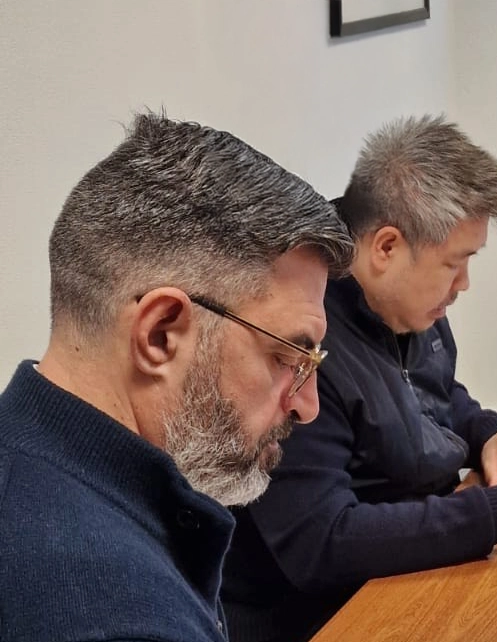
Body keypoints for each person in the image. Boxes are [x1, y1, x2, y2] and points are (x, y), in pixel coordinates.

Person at [221, 115, 497, 642]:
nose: (464, 285)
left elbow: (436, 392)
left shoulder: (406, 304)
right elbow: (321, 542)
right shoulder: (300, 338)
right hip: (332, 614)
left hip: (416, 569)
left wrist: (487, 433)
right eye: (456, 263)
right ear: (386, 248)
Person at [0, 113, 354, 641]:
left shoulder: (27, 458)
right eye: (288, 357)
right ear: (161, 334)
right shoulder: (117, 614)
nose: (308, 405)